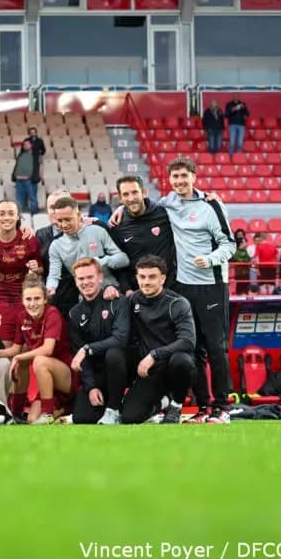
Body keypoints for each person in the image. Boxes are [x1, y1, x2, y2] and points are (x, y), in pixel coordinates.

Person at [159, 157, 235, 424]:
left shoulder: (211, 205)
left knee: (216, 347)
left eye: (184, 176)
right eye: (175, 177)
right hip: (183, 286)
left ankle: (223, 407)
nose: (180, 181)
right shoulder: (167, 203)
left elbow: (230, 245)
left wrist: (211, 259)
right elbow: (141, 210)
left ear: (194, 176)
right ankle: (204, 408)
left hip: (212, 285)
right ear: (169, 180)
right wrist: (116, 212)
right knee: (193, 349)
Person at [120, 255, 196, 424]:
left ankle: (176, 405)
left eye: (152, 277)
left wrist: (155, 354)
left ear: (163, 278)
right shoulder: (133, 300)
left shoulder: (177, 303)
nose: (146, 282)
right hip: (148, 371)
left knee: (182, 360)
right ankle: (164, 402)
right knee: (129, 418)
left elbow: (188, 341)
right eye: (142, 277)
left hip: (172, 367)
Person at [2, 274, 75, 424]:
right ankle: (16, 413)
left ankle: (48, 414)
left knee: (39, 361)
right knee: (32, 419)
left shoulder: (52, 313)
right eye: (28, 299)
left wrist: (19, 357)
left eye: (37, 298)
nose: (33, 303)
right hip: (46, 382)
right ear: (22, 301)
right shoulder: (22, 316)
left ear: (45, 299)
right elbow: (16, 348)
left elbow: (48, 349)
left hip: (66, 375)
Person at [67, 258, 131, 425]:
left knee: (113, 353)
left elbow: (120, 339)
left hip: (123, 368)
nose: (86, 282)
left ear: (100, 277)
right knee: (82, 418)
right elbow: (79, 352)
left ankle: (114, 409)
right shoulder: (74, 313)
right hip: (99, 374)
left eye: (90, 277)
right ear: (75, 281)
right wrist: (91, 387)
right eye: (81, 279)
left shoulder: (117, 301)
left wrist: (87, 348)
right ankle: (118, 405)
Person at [0, 200, 42, 341]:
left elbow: (40, 269)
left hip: (24, 301)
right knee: (3, 347)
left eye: (11, 213)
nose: (6, 217)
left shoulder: (29, 240)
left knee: (27, 346)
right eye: (2, 214)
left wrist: (37, 268)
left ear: (18, 216)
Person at [46, 196, 128, 302]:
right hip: (85, 299)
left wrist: (102, 261)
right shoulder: (56, 246)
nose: (64, 225)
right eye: (60, 221)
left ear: (79, 215)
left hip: (112, 292)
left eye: (68, 219)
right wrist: (50, 287)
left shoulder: (98, 231)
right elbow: (53, 275)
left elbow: (124, 259)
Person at [109, 175, 176, 291]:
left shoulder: (164, 213)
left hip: (170, 288)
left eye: (135, 192)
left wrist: (209, 198)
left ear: (144, 192)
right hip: (138, 292)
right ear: (120, 198)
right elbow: (120, 262)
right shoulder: (117, 225)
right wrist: (127, 289)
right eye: (125, 194)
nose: (131, 198)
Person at [11, 138, 40, 215]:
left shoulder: (36, 155)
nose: (25, 146)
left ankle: (35, 215)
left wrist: (38, 176)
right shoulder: (21, 154)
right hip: (19, 180)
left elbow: (39, 166)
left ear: (31, 145)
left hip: (29, 180)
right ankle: (20, 215)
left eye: (27, 144)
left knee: (32, 198)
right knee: (19, 199)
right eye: (24, 144)